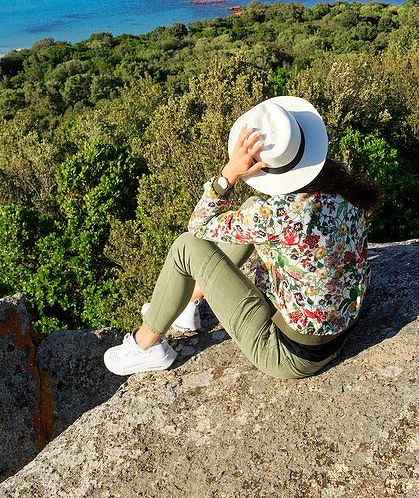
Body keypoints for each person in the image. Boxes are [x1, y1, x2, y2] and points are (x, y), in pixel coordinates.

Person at [103, 95, 379, 379]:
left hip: (288, 353)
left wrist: (228, 175)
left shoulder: (275, 216)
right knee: (248, 210)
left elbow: (197, 226)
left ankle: (145, 345)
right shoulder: (338, 185)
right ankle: (189, 304)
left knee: (186, 247)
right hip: (341, 326)